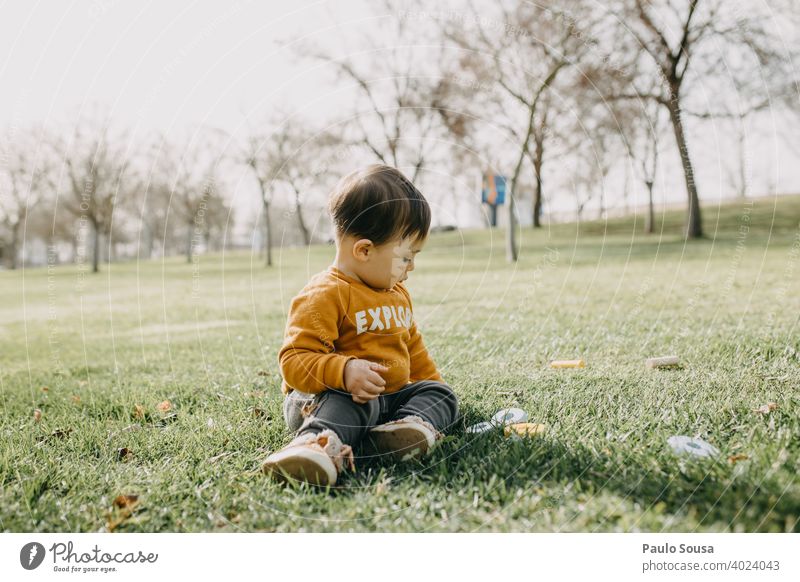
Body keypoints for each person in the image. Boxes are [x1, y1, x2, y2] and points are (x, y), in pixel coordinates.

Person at [263, 164, 460, 486]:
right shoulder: (325, 294)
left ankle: (404, 429)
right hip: (326, 401)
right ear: (365, 250)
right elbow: (294, 362)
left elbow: (413, 348)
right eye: (406, 257)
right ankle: (314, 444)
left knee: (439, 394)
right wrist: (344, 371)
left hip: (385, 400)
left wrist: (433, 389)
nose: (412, 267)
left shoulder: (396, 294)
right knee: (356, 401)